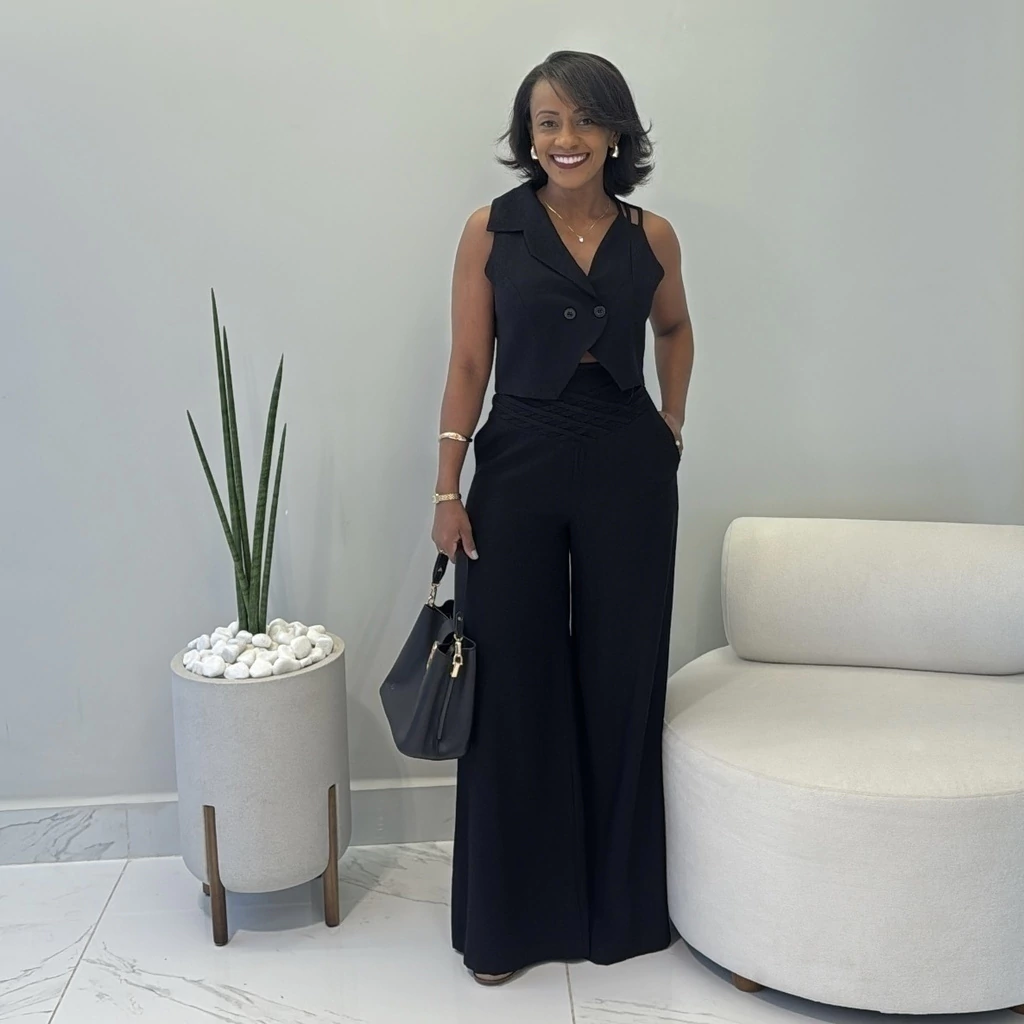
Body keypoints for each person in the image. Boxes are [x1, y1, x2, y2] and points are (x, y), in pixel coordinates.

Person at [430, 50, 694, 985]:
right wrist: (447, 488)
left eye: (584, 120)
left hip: (628, 460)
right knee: (512, 682)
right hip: (520, 457)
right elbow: (470, 363)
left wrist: (670, 424)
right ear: (528, 136)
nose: (566, 138)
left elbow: (674, 329)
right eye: (548, 122)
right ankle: (509, 925)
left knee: (623, 678)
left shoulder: (652, 235)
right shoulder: (491, 229)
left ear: (616, 131)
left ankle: (618, 912)